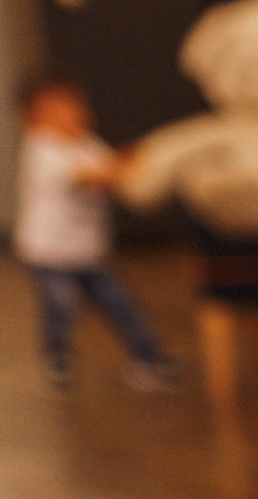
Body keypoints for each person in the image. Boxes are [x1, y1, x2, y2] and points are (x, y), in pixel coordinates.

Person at [12, 77, 176, 394]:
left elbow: (111, 169)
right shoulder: (41, 148)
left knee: (121, 305)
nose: (69, 114)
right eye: (55, 110)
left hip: (88, 252)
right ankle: (57, 360)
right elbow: (92, 176)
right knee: (62, 306)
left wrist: (133, 164)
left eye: (73, 106)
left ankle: (149, 360)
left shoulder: (87, 143)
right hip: (50, 254)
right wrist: (134, 167)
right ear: (32, 118)